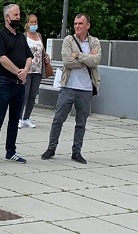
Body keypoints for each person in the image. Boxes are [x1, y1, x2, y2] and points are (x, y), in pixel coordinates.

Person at [41, 13, 101, 164]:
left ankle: (77, 151)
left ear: (88, 25)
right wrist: (86, 57)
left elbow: (96, 61)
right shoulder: (68, 40)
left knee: (81, 122)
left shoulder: (94, 42)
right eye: (75, 24)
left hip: (86, 89)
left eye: (80, 23)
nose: (77, 26)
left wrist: (78, 55)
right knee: (58, 119)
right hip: (68, 87)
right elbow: (67, 62)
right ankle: (51, 148)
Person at [0, 4, 33, 165]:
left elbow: (29, 56)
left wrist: (25, 70)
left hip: (19, 85)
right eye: (15, 15)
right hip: (4, 82)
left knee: (14, 119)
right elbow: (2, 58)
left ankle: (11, 151)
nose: (18, 18)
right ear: (7, 17)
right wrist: (17, 72)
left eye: (19, 15)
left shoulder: (21, 36)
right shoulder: (0, 35)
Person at [19, 13, 49, 128]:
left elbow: (42, 51)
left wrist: (46, 57)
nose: (34, 24)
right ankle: (19, 118)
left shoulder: (39, 36)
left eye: (35, 22)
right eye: (32, 22)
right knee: (24, 94)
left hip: (38, 70)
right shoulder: (24, 36)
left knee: (32, 95)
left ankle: (27, 118)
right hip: (27, 70)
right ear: (27, 23)